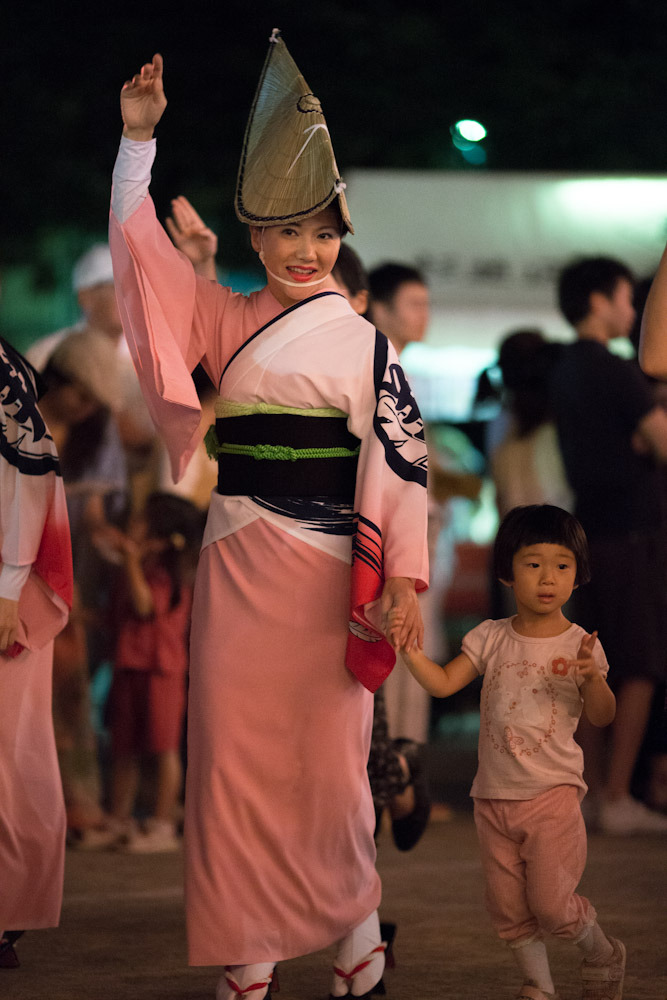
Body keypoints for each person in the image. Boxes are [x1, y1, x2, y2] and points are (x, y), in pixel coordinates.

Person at [109, 37, 428, 1000]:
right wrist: (137, 145)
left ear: (340, 237)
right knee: (230, 768)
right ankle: (252, 949)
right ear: (257, 237)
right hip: (237, 565)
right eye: (286, 234)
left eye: (323, 234)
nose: (305, 251)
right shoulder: (221, 316)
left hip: (328, 575)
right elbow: (142, 261)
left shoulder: (363, 342)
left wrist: (402, 582)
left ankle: (356, 941)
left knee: (328, 771)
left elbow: (400, 470)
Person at [389, 505, 625, 1000]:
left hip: (553, 797)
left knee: (553, 905)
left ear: (578, 575)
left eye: (562, 565)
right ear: (506, 572)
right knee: (508, 908)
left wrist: (593, 679)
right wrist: (407, 651)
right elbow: (442, 682)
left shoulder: (581, 644)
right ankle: (538, 986)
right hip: (492, 796)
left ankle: (602, 952)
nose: (547, 577)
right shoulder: (490, 637)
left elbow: (603, 716)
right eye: (532, 563)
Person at [550, 256, 667, 835]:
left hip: (586, 531)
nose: (632, 311)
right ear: (599, 302)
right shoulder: (620, 372)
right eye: (626, 300)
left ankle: (593, 793)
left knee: (588, 663)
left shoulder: (566, 368)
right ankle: (619, 795)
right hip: (630, 532)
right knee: (639, 667)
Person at [0, 335, 73, 967]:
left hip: (7, 587)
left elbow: (28, 469)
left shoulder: (3, 370)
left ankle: (8, 909)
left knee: (10, 751)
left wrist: (9, 583)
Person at [107, 492, 202, 852]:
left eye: (140, 520)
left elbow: (146, 606)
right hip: (131, 661)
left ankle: (162, 824)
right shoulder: (145, 562)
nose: (133, 525)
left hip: (162, 667)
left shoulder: (169, 569)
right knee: (124, 746)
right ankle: (119, 820)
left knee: (164, 747)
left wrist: (131, 561)